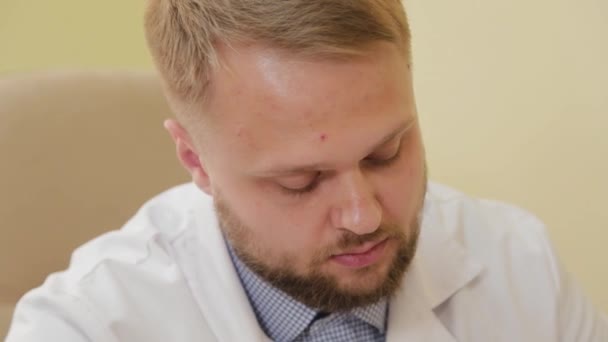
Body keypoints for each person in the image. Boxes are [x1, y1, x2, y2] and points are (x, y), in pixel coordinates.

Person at [6, 0, 607, 341]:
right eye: (301, 180)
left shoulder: (518, 266)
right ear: (196, 160)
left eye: (387, 152)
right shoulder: (84, 327)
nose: (364, 214)